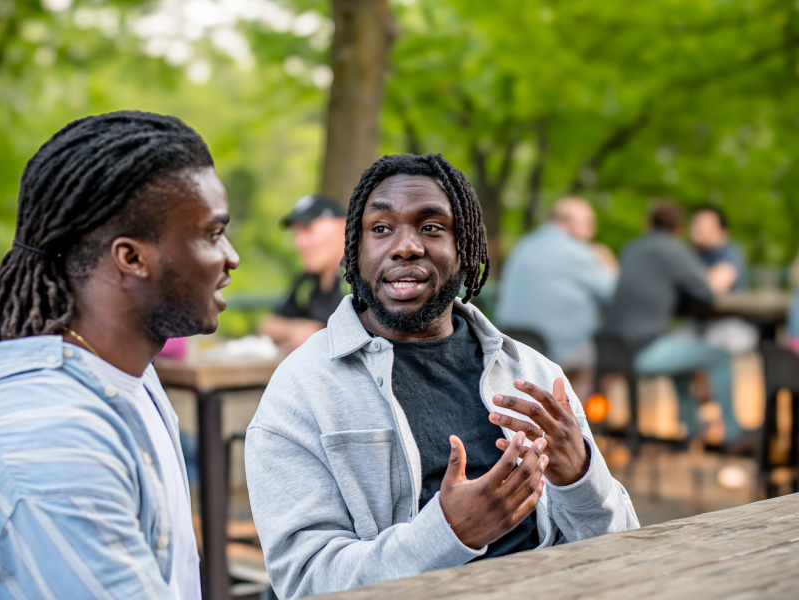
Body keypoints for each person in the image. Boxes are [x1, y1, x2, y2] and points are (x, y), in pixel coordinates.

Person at [245, 154, 639, 600]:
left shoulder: (533, 374)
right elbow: (305, 582)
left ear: (465, 247)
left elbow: (621, 547)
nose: (405, 246)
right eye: (381, 228)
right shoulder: (301, 391)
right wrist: (448, 533)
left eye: (431, 227)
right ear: (355, 249)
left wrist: (579, 478)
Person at [0, 111, 240, 598]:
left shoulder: (127, 375)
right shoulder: (57, 436)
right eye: (213, 234)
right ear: (131, 258)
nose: (231, 256)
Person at [602, 201, 741, 444]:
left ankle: (691, 429)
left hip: (611, 348)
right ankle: (732, 435)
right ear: (679, 229)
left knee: (683, 354)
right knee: (719, 357)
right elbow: (706, 293)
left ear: (649, 224)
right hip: (641, 351)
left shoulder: (631, 249)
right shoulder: (674, 250)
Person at [496, 197, 617, 400]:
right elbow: (613, 295)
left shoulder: (523, 246)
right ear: (566, 223)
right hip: (558, 351)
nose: (591, 233)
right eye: (588, 224)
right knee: (600, 357)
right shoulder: (579, 252)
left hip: (513, 346)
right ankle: (579, 425)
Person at [259, 194, 347, 351]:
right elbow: (267, 324)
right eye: (296, 233)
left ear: (342, 227)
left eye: (308, 230)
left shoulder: (361, 279)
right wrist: (295, 329)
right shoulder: (307, 282)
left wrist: (317, 336)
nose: (299, 242)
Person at [689, 204, 758, 354]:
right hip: (698, 325)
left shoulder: (728, 253)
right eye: (696, 224)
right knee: (677, 345)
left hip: (732, 325)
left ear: (723, 233)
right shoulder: (689, 254)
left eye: (706, 226)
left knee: (708, 348)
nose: (699, 229)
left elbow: (715, 286)